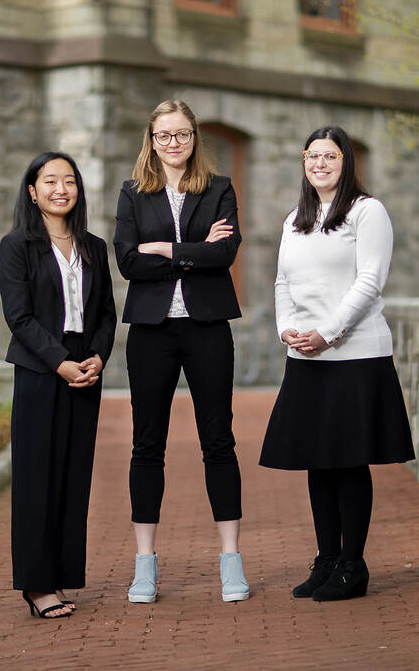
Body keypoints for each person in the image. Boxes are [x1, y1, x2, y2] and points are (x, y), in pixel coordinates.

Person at [259, 125, 415, 602]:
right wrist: (288, 328)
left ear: (346, 161)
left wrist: (328, 333)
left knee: (347, 461)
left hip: (355, 354)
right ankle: (327, 559)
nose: (320, 163)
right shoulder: (294, 219)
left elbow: (370, 281)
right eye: (312, 155)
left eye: (330, 156)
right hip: (305, 355)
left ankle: (353, 565)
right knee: (317, 462)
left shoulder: (368, 213)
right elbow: (282, 281)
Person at [113, 99, 249, 603]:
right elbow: (127, 262)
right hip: (151, 331)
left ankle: (230, 561)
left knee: (219, 440)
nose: (174, 143)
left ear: (195, 139)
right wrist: (196, 254)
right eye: (164, 135)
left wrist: (166, 249)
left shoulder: (219, 189)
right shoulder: (132, 194)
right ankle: (144, 565)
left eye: (183, 134)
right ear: (151, 141)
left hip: (207, 327)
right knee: (147, 444)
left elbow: (225, 254)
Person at [0, 152, 117, 619]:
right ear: (32, 190)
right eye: (50, 181)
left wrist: (99, 357)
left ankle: (63, 575)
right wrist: (61, 364)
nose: (60, 189)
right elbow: (18, 317)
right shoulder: (16, 245)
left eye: (69, 181)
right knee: (36, 478)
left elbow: (106, 312)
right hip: (40, 372)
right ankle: (37, 585)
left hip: (86, 370)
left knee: (72, 477)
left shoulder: (93, 245)